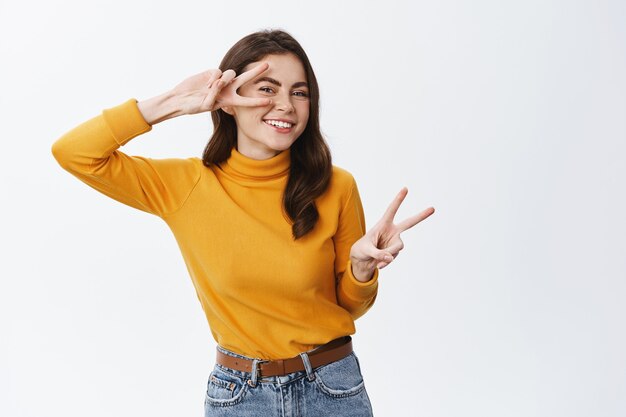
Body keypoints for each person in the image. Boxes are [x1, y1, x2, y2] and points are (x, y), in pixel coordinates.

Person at [51, 28, 434, 417]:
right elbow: (74, 153)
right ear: (228, 101)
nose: (285, 104)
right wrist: (174, 103)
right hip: (240, 397)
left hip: (333, 387)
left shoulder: (336, 186)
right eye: (266, 89)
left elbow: (348, 307)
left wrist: (362, 269)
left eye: (299, 92)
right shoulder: (185, 186)